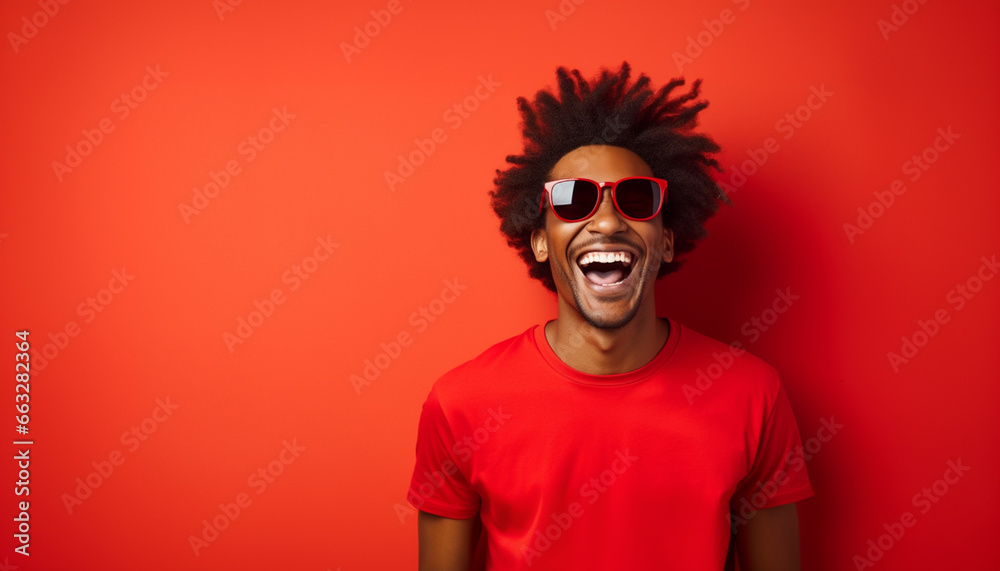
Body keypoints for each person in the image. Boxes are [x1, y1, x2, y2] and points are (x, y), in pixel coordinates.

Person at [407, 62, 813, 571]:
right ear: (539, 240)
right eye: (573, 201)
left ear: (666, 240)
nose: (605, 220)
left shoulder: (755, 395)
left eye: (636, 199)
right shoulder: (460, 404)